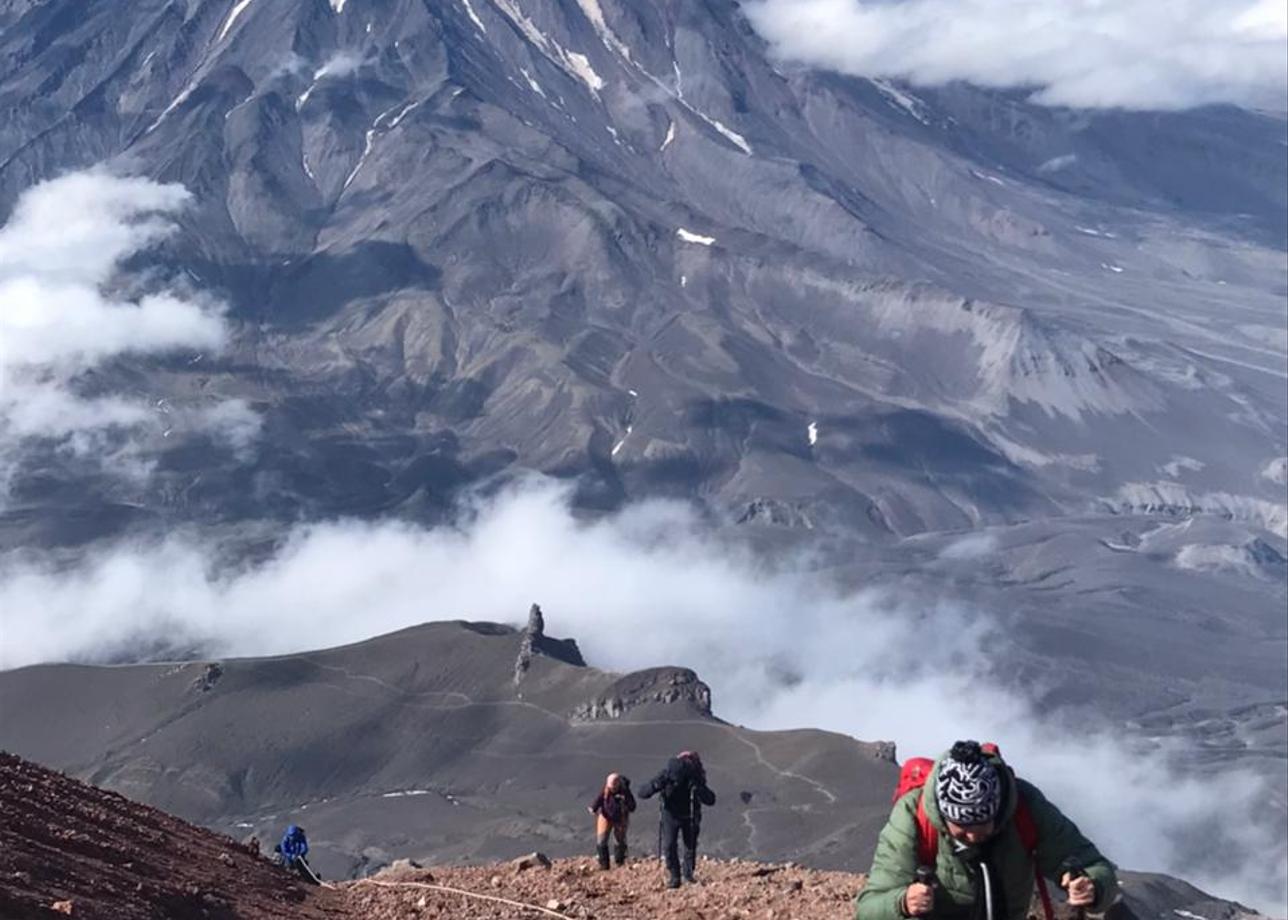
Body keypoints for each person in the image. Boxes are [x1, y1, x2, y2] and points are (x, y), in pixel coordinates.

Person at [855, 741, 1118, 920]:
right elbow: (868, 908)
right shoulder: (913, 816)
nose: (972, 836)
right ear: (942, 816)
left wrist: (1092, 887)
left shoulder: (1024, 807)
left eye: (981, 825)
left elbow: (1094, 865)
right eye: (961, 828)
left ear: (998, 808)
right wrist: (902, 902)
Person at [639, 751, 716, 889]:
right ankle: (684, 875)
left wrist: (656, 785)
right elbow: (710, 799)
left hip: (674, 814)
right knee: (687, 846)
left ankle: (677, 876)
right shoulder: (689, 776)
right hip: (684, 815)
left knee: (673, 846)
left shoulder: (673, 775)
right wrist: (657, 784)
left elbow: (643, 793)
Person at [588, 772, 637, 870]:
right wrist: (593, 808)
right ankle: (604, 864)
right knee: (601, 840)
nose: (611, 789)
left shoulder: (625, 792)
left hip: (620, 819)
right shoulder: (606, 790)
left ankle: (619, 862)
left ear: (618, 784)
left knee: (619, 840)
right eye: (610, 787)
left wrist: (625, 801)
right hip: (605, 816)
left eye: (613, 787)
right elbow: (599, 798)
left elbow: (632, 806)